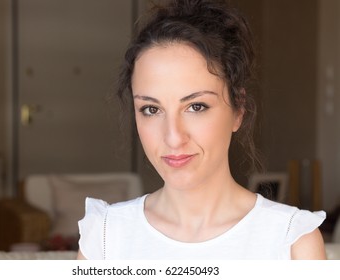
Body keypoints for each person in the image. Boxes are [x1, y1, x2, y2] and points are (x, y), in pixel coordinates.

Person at [77, 0, 326, 259]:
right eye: (151, 109)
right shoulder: (105, 236)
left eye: (196, 106)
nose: (173, 137)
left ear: (238, 110)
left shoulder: (291, 241)